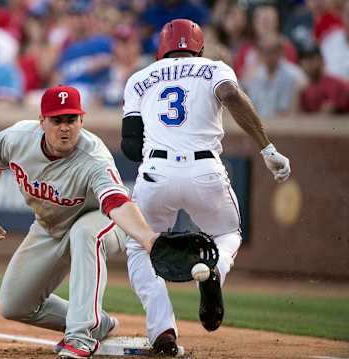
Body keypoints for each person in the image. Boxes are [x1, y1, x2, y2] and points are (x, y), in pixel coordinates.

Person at [121, 19, 291, 356]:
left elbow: (129, 145)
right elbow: (230, 95)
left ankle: (163, 331)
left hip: (156, 171)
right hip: (205, 170)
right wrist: (267, 149)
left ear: (160, 50)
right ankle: (215, 270)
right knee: (228, 235)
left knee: (140, 245)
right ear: (199, 48)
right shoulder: (213, 67)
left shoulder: (140, 78)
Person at [0, 85, 159, 359]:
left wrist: (147, 238)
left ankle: (81, 335)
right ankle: (101, 323)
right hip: (50, 226)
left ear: (82, 121)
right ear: (42, 121)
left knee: (85, 232)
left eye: (71, 120)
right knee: (14, 305)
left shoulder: (93, 157)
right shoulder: (17, 138)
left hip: (106, 221)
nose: (65, 127)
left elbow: (117, 203)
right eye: (57, 120)